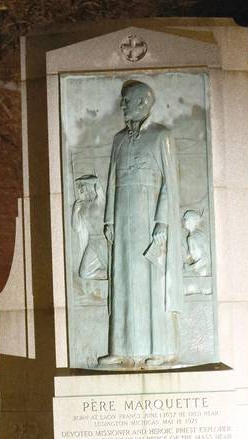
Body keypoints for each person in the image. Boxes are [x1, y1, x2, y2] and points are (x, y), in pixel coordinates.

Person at [99, 80, 182, 367]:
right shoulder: (118, 139)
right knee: (123, 281)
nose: (122, 105)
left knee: (152, 283)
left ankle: (160, 349)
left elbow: (170, 185)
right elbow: (112, 181)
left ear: (143, 103)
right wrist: (109, 218)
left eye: (127, 100)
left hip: (149, 219)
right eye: (122, 100)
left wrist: (162, 223)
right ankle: (121, 348)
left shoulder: (161, 137)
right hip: (122, 220)